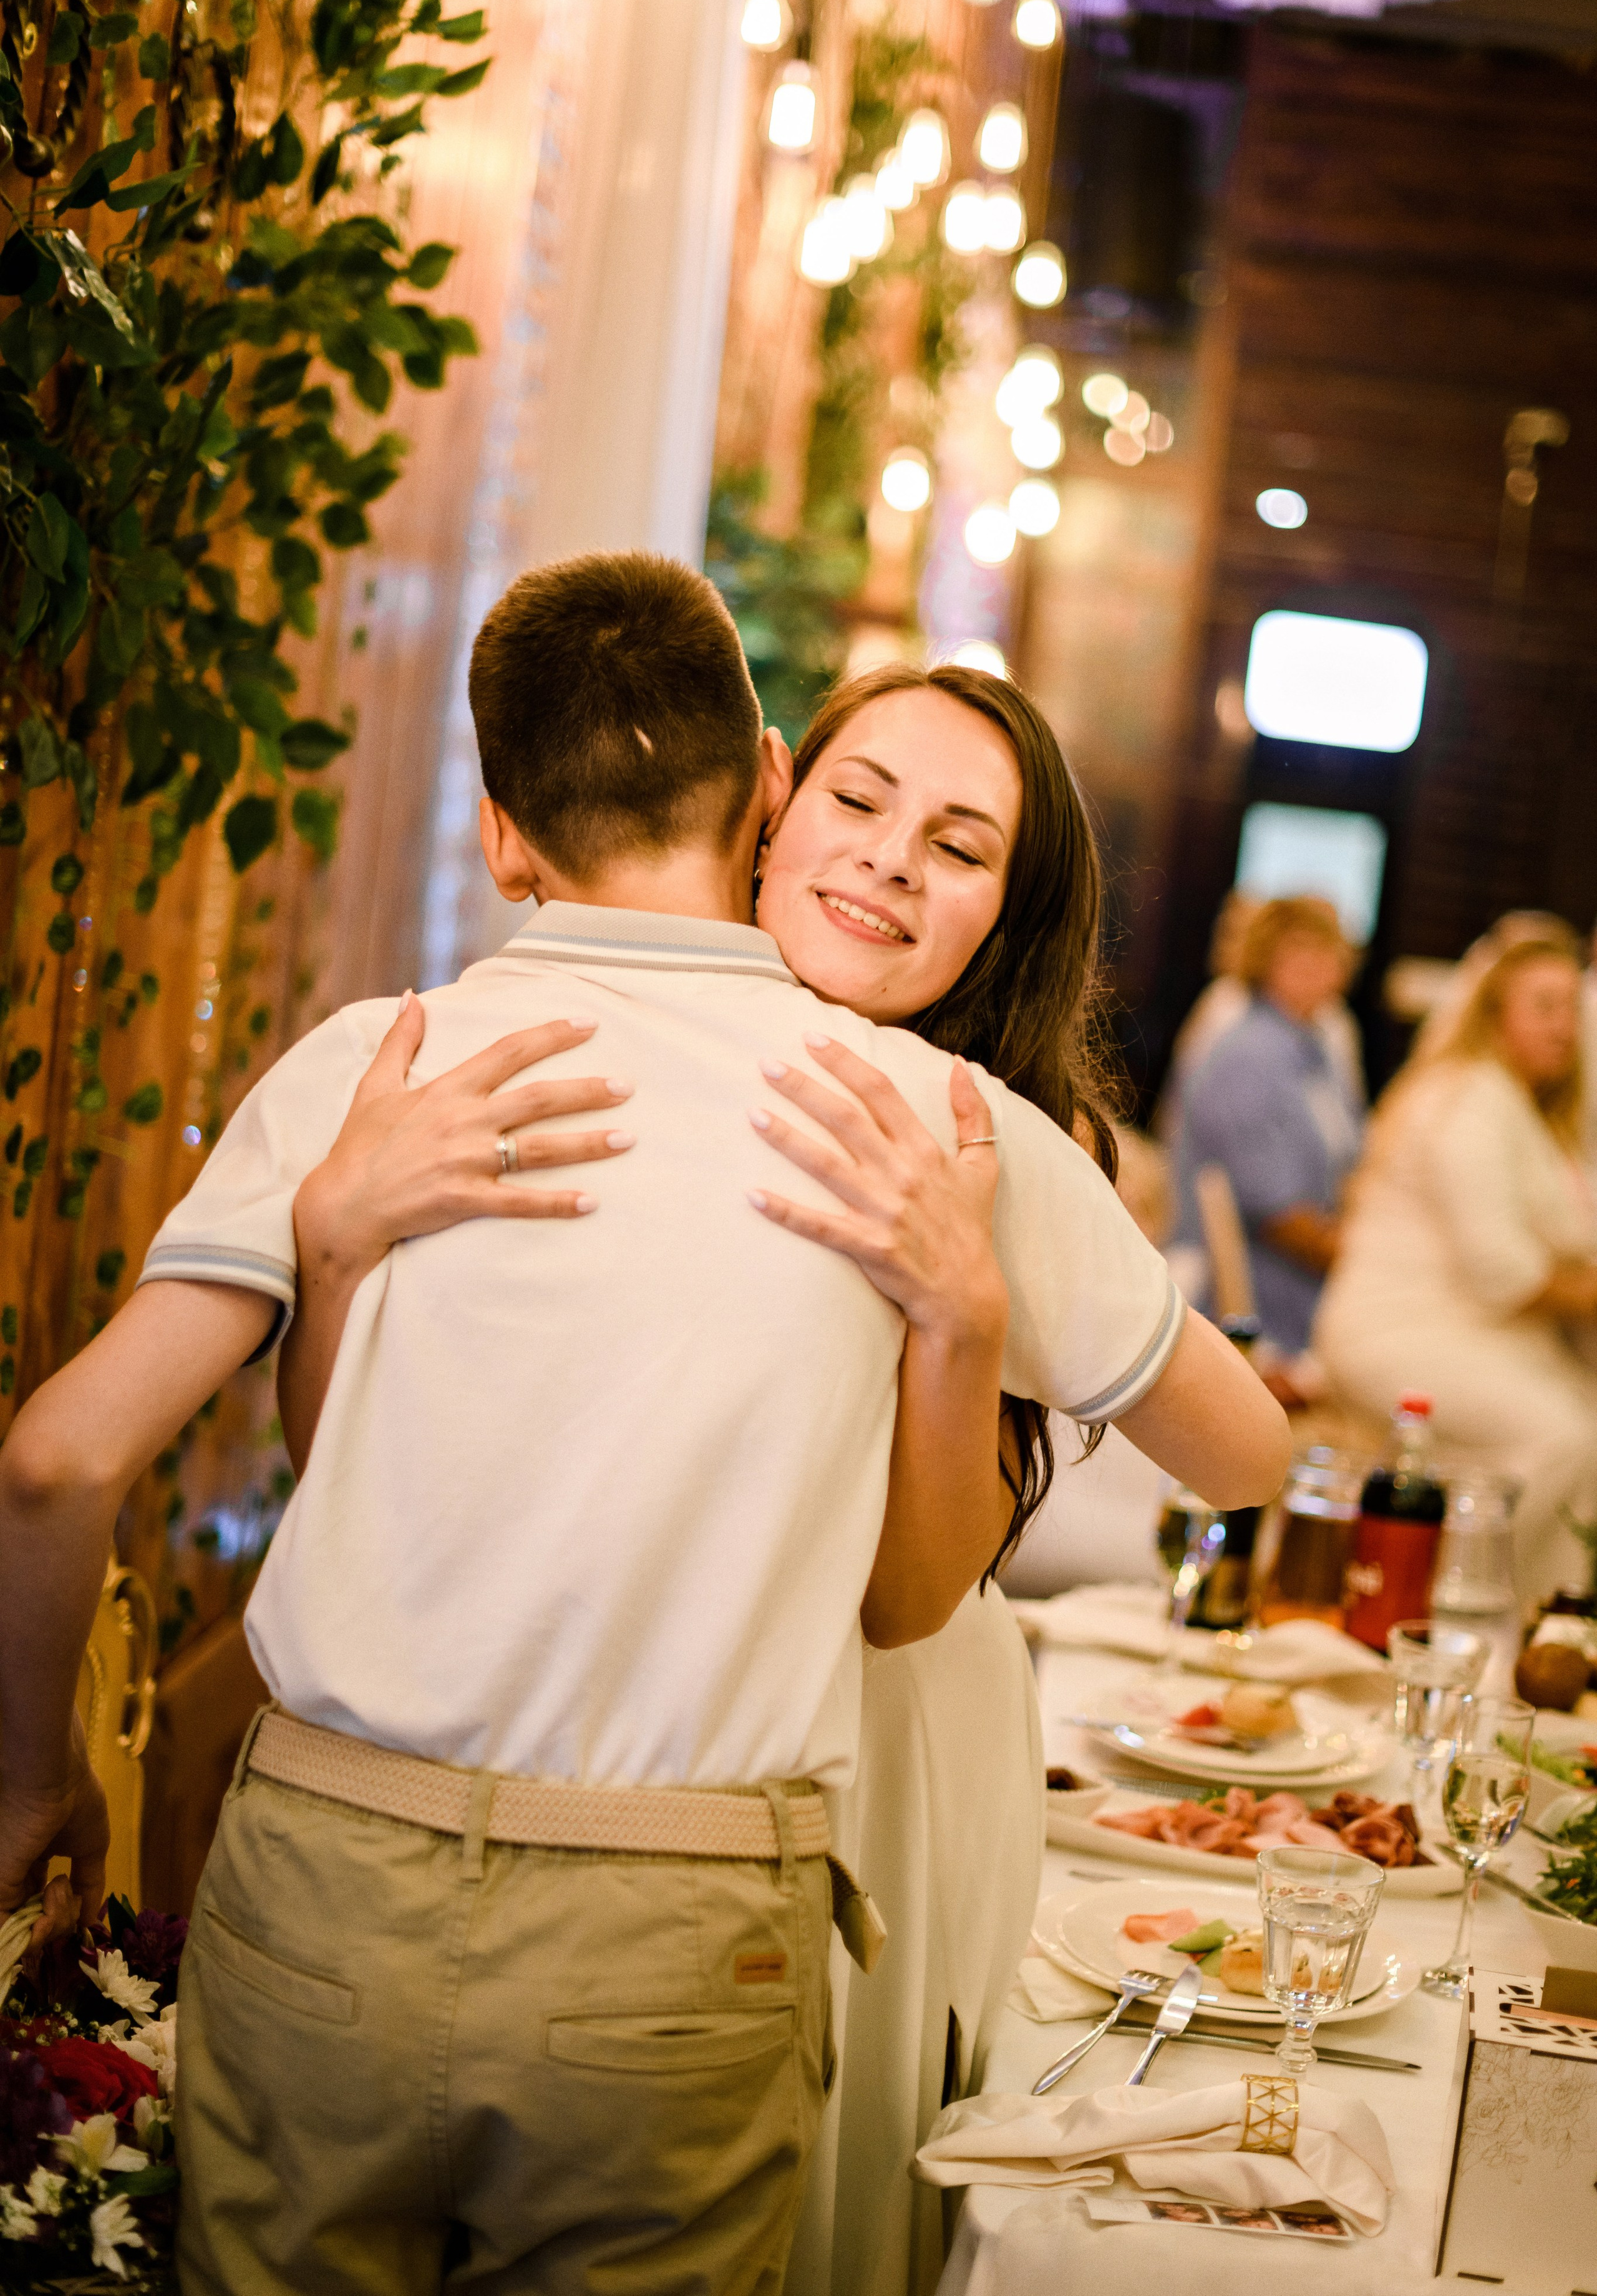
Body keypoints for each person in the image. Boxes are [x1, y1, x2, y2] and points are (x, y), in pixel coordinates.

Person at [0, 561, 1289, 2295]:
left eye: (963, 846)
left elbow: (62, 1458)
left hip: (356, 1860)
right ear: (767, 788)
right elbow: (1256, 1460)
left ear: (501, 832)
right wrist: (334, 1240)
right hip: (681, 1894)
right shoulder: (942, 1122)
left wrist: (33, 1774)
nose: (891, 860)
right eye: (858, 798)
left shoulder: (391, 1060)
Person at [1316, 928, 1597, 1602]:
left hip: (1468, 1329)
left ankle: (1543, 1619)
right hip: (1397, 1336)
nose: (1564, 1027)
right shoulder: (1468, 1100)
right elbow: (1503, 1273)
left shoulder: (1518, 1105)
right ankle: (1472, 1605)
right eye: (1544, 1006)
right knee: (1566, 1437)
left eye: (1570, 1008)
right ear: (1496, 1013)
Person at [1174, 896, 1363, 1358]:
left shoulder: (1317, 1048)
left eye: (1327, 952)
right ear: (1264, 960)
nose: (1316, 966)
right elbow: (1279, 1216)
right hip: (1259, 1299)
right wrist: (1370, 1262)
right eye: (1298, 951)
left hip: (1317, 1273)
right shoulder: (1249, 1057)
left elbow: (1353, 1160)